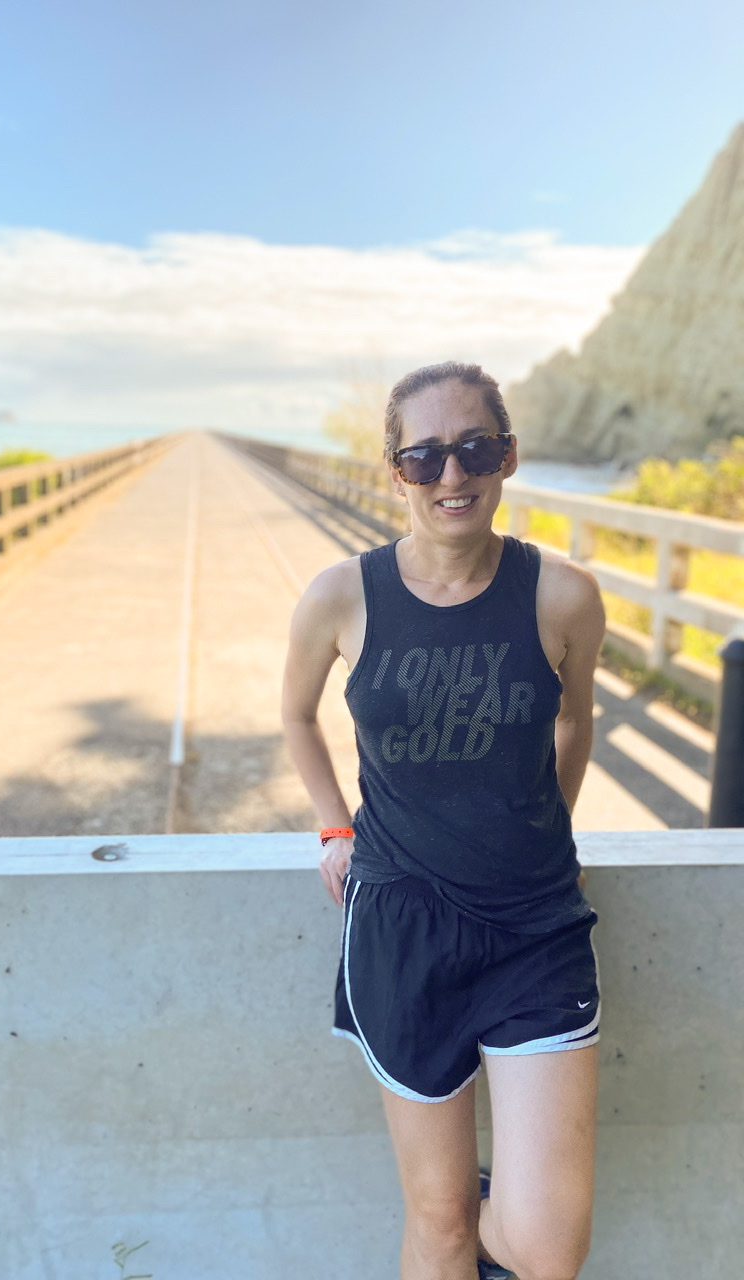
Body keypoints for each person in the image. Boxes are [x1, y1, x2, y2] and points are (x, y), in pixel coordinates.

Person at [281, 362, 605, 1280]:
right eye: (424, 458)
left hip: (535, 929)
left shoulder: (563, 597)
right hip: (401, 926)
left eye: (475, 449)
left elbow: (576, 719)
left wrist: (554, 827)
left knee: (544, 1248)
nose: (452, 476)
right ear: (396, 473)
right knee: (442, 1218)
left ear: (509, 456)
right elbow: (297, 715)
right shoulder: (342, 597)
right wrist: (334, 827)